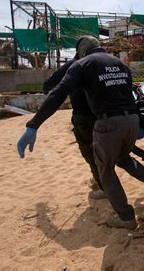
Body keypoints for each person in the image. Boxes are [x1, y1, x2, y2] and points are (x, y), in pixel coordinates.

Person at [17, 35, 144, 229]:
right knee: (124, 159)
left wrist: (34, 124)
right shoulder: (120, 64)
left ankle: (126, 218)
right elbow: (129, 93)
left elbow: (58, 93)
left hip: (108, 123)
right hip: (132, 120)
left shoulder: (81, 65)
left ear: (81, 51)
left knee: (105, 171)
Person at [42, 44, 104, 199]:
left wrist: (46, 92)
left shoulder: (73, 65)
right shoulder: (101, 63)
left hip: (83, 115)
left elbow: (53, 81)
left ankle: (102, 185)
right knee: (102, 150)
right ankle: (99, 180)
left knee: (89, 151)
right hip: (103, 114)